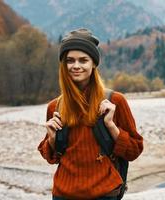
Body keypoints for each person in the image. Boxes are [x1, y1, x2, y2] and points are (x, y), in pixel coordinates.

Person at [38, 28, 143, 200]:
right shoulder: (54, 107)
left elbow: (134, 151)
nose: (76, 66)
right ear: (63, 65)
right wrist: (51, 138)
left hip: (104, 194)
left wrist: (111, 126)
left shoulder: (115, 101)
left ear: (93, 63)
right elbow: (52, 158)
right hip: (63, 195)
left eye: (83, 60)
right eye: (70, 61)